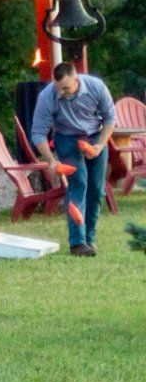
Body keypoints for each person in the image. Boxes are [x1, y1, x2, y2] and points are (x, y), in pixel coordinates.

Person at [31, 61, 117, 256]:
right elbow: (38, 133)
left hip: (95, 136)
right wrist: (51, 161)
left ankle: (89, 239)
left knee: (96, 190)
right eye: (58, 88)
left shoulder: (96, 87)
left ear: (76, 80)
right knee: (78, 182)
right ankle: (77, 243)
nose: (61, 92)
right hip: (66, 139)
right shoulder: (47, 96)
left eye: (66, 88)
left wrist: (99, 146)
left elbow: (110, 118)